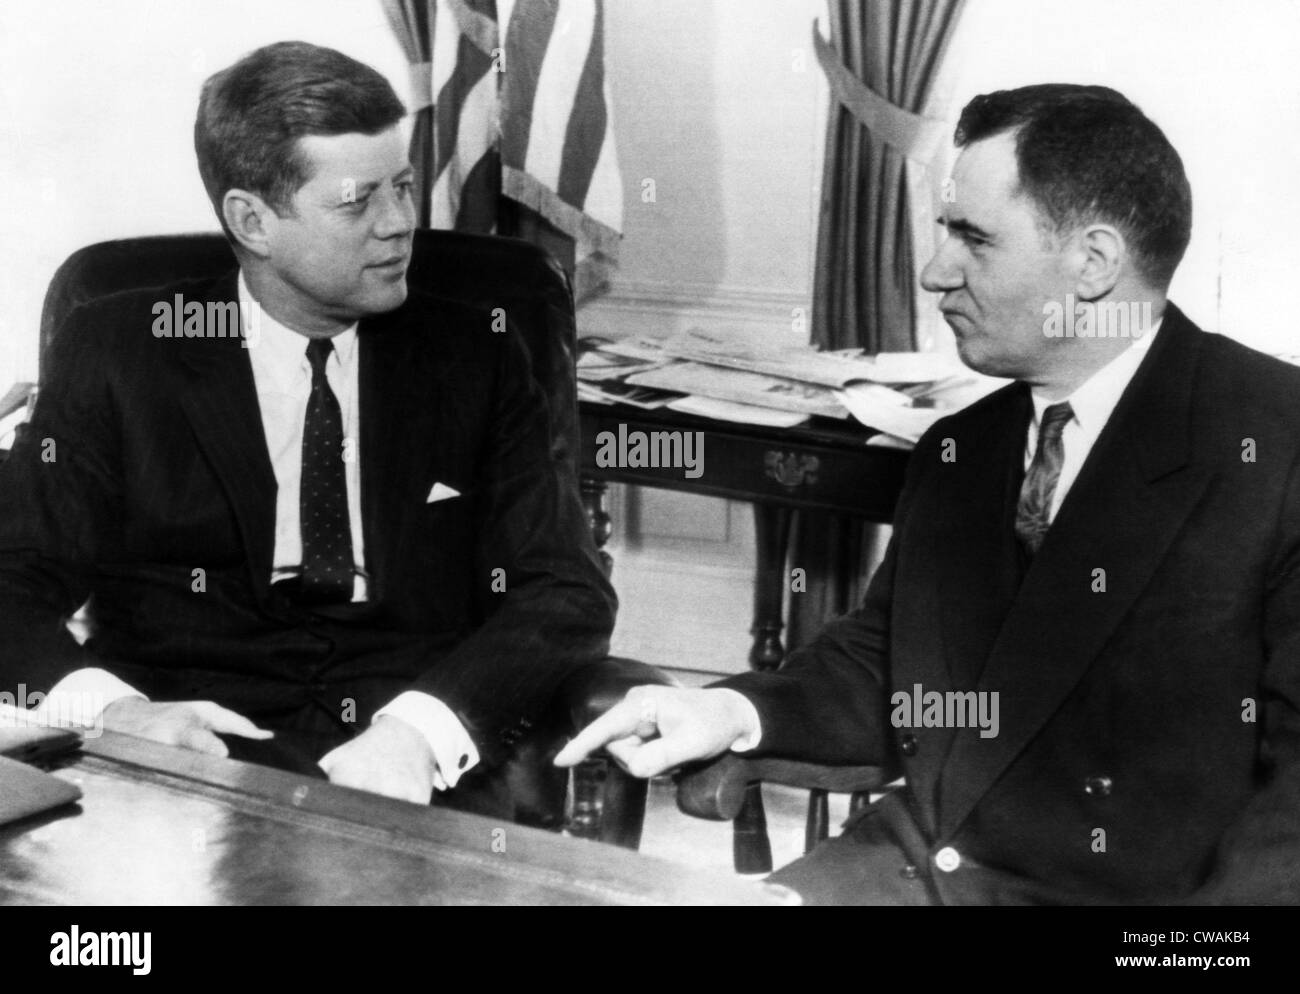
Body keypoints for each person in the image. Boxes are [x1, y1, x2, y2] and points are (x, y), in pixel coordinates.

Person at [558, 83, 1300, 905]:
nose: (933, 272)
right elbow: (888, 661)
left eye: (973, 239)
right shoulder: (962, 446)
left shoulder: (1277, 446)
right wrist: (732, 711)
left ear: (1092, 264)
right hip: (902, 870)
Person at [0, 41, 615, 809]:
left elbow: (562, 588)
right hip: (184, 755)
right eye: (358, 202)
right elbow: (10, 582)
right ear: (253, 221)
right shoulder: (119, 347)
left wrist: (421, 732)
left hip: (413, 756)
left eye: (405, 187)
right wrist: (119, 714)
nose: (400, 225)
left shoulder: (479, 350)